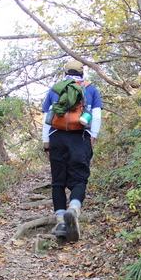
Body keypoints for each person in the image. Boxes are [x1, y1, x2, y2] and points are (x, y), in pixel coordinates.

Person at [42, 59, 102, 242]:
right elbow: (97, 116)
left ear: (65, 72)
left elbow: (47, 117)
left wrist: (46, 143)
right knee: (79, 179)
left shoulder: (55, 89)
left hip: (57, 137)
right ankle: (74, 210)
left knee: (58, 181)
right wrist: (92, 138)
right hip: (80, 137)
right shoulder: (90, 89)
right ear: (82, 73)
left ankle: (61, 221)